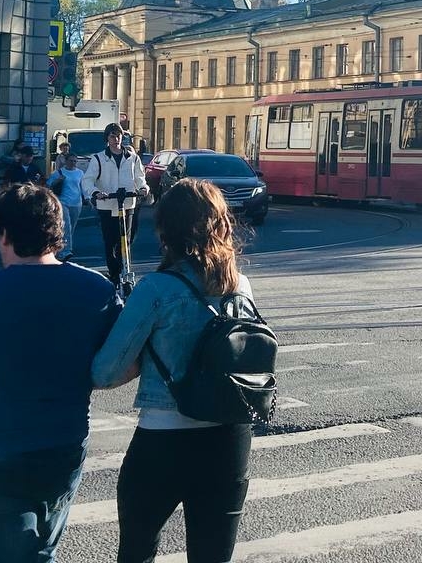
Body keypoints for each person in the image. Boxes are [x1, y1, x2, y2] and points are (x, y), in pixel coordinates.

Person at [0, 184, 120, 563]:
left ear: (4, 234)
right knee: (42, 547)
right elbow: (121, 367)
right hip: (64, 444)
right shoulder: (97, 288)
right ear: (56, 230)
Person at [92, 179, 255, 563]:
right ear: (220, 225)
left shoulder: (156, 289)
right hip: (229, 440)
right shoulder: (240, 286)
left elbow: (104, 372)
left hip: (164, 440)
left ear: (166, 230)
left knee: (137, 549)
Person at [82, 123, 149, 290]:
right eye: (112, 136)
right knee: (110, 241)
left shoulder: (132, 157)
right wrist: (96, 192)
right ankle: (114, 273)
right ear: (107, 139)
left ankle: (124, 270)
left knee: (126, 241)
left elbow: (140, 178)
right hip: (107, 204)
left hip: (127, 204)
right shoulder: (98, 158)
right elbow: (87, 180)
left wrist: (143, 189)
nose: (116, 138)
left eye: (118, 135)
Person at [49, 153, 84, 258]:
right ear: (66, 161)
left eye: (75, 161)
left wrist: (88, 199)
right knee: (66, 226)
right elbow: (49, 184)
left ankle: (61, 246)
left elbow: (83, 187)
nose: (73, 163)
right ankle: (66, 251)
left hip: (77, 203)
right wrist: (57, 180)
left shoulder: (80, 173)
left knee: (71, 227)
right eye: (71, 161)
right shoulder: (59, 172)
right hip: (63, 202)